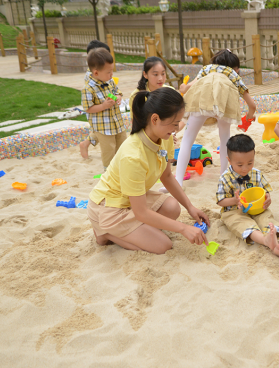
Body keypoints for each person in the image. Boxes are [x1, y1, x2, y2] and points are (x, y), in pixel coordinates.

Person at [87, 87, 210, 254]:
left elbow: (167, 176)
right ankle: (104, 232)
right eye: (174, 123)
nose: (176, 128)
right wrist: (183, 228)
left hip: (131, 201)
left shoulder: (164, 137)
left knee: (173, 208)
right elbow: (141, 213)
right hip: (109, 207)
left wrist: (190, 207)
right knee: (162, 245)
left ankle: (129, 231)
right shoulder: (133, 155)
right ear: (155, 119)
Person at [176, 49, 257, 186]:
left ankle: (178, 181)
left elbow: (188, 88)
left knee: (187, 140)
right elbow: (252, 105)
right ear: (235, 69)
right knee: (224, 138)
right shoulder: (233, 74)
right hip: (223, 105)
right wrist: (248, 117)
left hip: (202, 103)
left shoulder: (207, 69)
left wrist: (183, 87)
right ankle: (223, 176)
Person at [216, 134, 279, 258]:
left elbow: (265, 190)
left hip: (257, 208)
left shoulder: (256, 174)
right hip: (234, 210)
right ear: (229, 160)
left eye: (250, 163)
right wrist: (234, 200)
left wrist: (267, 198)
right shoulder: (225, 178)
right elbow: (220, 201)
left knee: (266, 218)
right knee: (242, 223)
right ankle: (265, 240)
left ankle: (271, 235)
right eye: (240, 165)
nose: (245, 168)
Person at [129, 56, 185, 161]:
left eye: (163, 74)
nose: (160, 78)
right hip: (145, 139)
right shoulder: (137, 96)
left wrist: (171, 133)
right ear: (145, 74)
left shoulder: (170, 91)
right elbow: (135, 122)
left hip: (165, 137)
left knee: (165, 166)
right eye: (155, 74)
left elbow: (178, 119)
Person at [81, 48, 127, 170]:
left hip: (117, 123)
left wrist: (118, 97)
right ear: (96, 73)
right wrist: (103, 106)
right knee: (109, 150)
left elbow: (118, 91)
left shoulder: (109, 81)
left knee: (123, 146)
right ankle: (109, 171)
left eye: (112, 71)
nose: (111, 75)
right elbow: (88, 108)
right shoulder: (88, 89)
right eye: (109, 72)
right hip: (104, 127)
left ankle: (122, 168)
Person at [79, 40, 112, 159]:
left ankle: (85, 144)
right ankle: (85, 144)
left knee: (102, 130)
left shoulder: (100, 73)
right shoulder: (91, 76)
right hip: (96, 109)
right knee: (101, 131)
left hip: (104, 108)